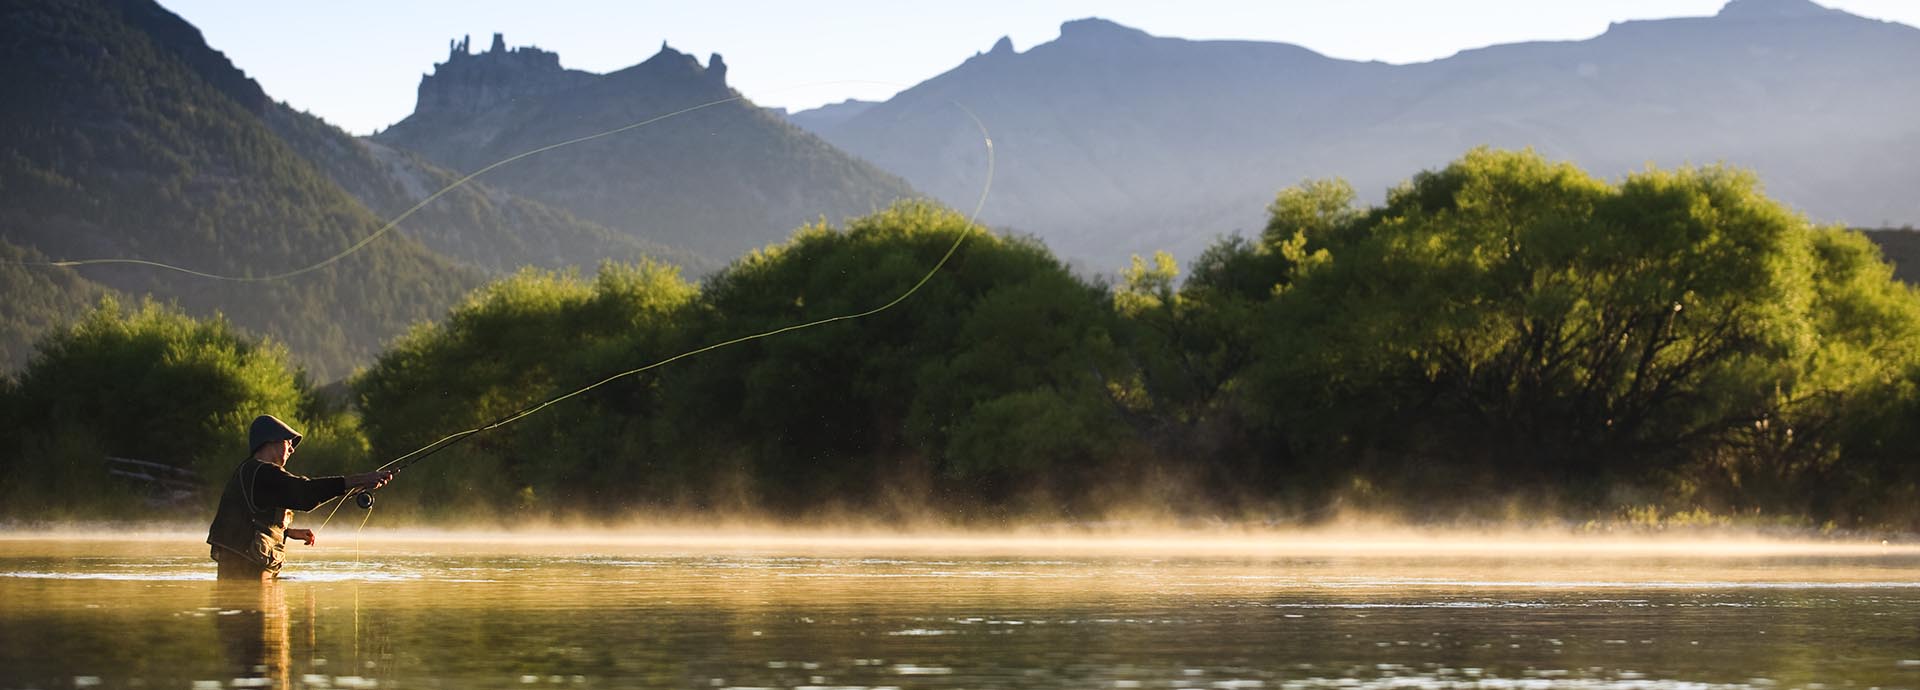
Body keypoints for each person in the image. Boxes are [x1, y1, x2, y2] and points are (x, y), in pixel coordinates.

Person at [206, 414, 392, 580]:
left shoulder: (251, 471)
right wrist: (360, 479)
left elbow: (248, 516)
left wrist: (287, 532)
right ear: (271, 441)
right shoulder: (261, 472)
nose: (292, 450)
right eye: (288, 443)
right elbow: (305, 493)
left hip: (245, 571)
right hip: (246, 577)